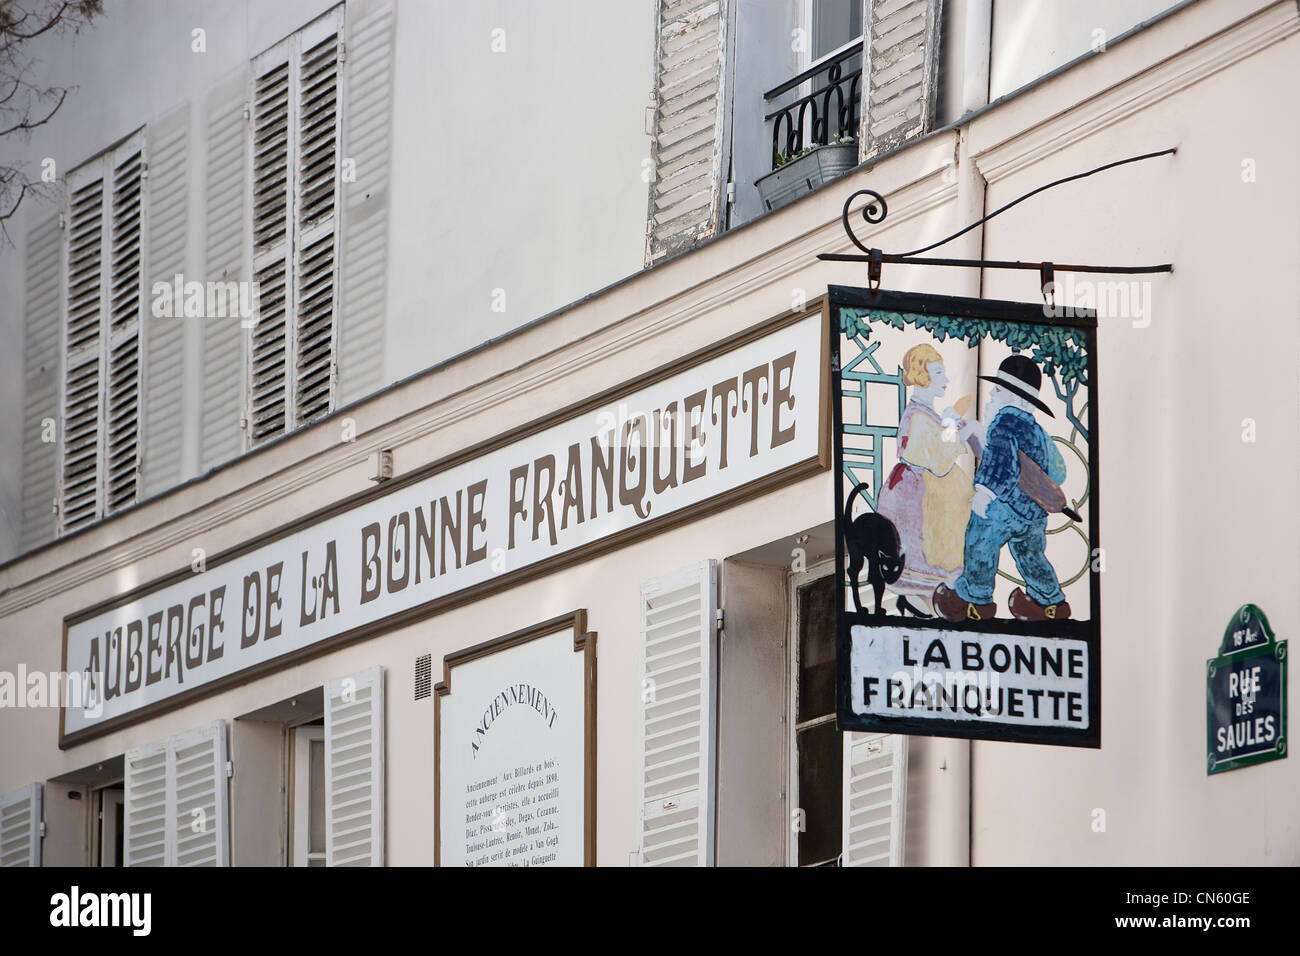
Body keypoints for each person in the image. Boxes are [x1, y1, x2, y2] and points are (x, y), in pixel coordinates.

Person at [933, 354, 1071, 623]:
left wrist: (985, 493)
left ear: (1015, 398)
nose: (990, 397)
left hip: (1003, 506)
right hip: (1033, 512)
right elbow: (1057, 470)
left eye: (997, 391)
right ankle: (1051, 602)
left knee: (980, 541)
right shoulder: (1036, 430)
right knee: (1030, 555)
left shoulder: (1004, 420)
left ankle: (975, 600)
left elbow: (1001, 462)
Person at [876, 344, 977, 617]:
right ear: (922, 375)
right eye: (938, 373)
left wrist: (950, 425)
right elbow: (938, 461)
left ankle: (930, 601)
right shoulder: (917, 416)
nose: (945, 380)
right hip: (919, 497)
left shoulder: (927, 414)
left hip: (931, 492)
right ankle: (922, 599)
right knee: (922, 552)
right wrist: (953, 429)